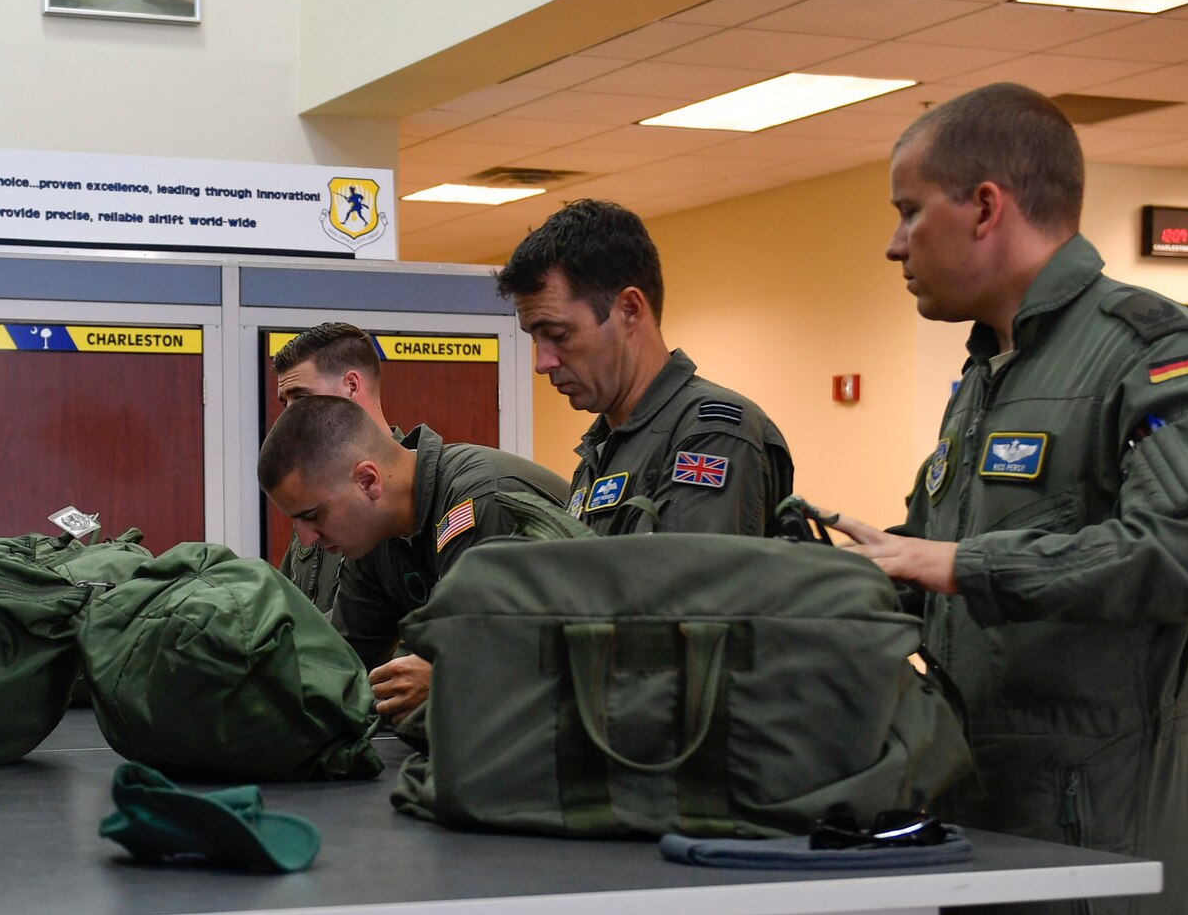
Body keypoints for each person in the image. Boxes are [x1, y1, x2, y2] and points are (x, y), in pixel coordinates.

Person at [823, 83, 1188, 915]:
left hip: (1096, 831)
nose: (895, 245)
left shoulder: (1137, 347)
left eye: (909, 211)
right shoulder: (990, 374)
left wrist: (967, 564)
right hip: (989, 813)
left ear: (985, 206)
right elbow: (937, 568)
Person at [258, 395, 569, 723]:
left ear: (368, 481)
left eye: (313, 515)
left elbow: (451, 665)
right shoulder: (375, 534)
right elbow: (341, 661)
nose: (306, 538)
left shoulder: (482, 502)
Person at [495, 198, 793, 536]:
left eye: (558, 335)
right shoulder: (604, 447)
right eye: (536, 340)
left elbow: (683, 579)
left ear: (630, 309)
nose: (542, 363)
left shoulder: (710, 433)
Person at [270, 322, 400, 613]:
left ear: (352, 386)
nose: (289, 416)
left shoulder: (413, 489)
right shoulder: (314, 487)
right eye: (285, 402)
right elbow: (286, 606)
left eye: (301, 397)